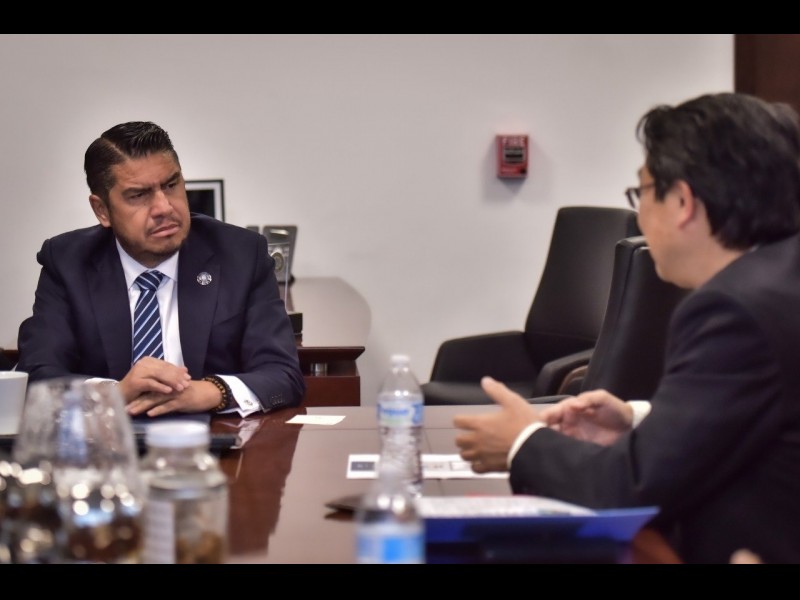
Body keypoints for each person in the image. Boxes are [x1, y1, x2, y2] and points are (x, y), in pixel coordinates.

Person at [453, 92, 800, 564]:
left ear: (683, 201)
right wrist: (638, 420)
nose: (639, 216)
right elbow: (756, 415)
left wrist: (521, 442)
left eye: (642, 193)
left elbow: (630, 487)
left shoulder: (733, 309)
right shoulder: (779, 280)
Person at [16, 121, 306, 418]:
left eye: (170, 185)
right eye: (138, 195)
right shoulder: (68, 262)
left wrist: (208, 392)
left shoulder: (241, 255)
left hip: (214, 438)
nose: (164, 207)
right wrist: (115, 394)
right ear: (102, 210)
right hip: (107, 439)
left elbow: (282, 374)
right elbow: (37, 377)